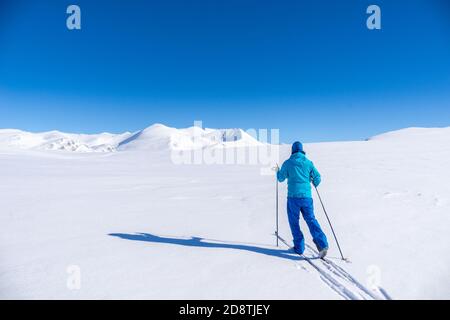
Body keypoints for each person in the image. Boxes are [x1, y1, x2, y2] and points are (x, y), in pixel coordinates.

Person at [277, 141, 329, 257]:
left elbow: (280, 178)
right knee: (311, 219)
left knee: (294, 222)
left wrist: (277, 172)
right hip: (306, 197)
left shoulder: (288, 163)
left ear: (292, 150)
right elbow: (317, 178)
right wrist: (313, 181)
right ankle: (322, 244)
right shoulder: (308, 163)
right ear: (301, 150)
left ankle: (299, 248)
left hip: (293, 198)